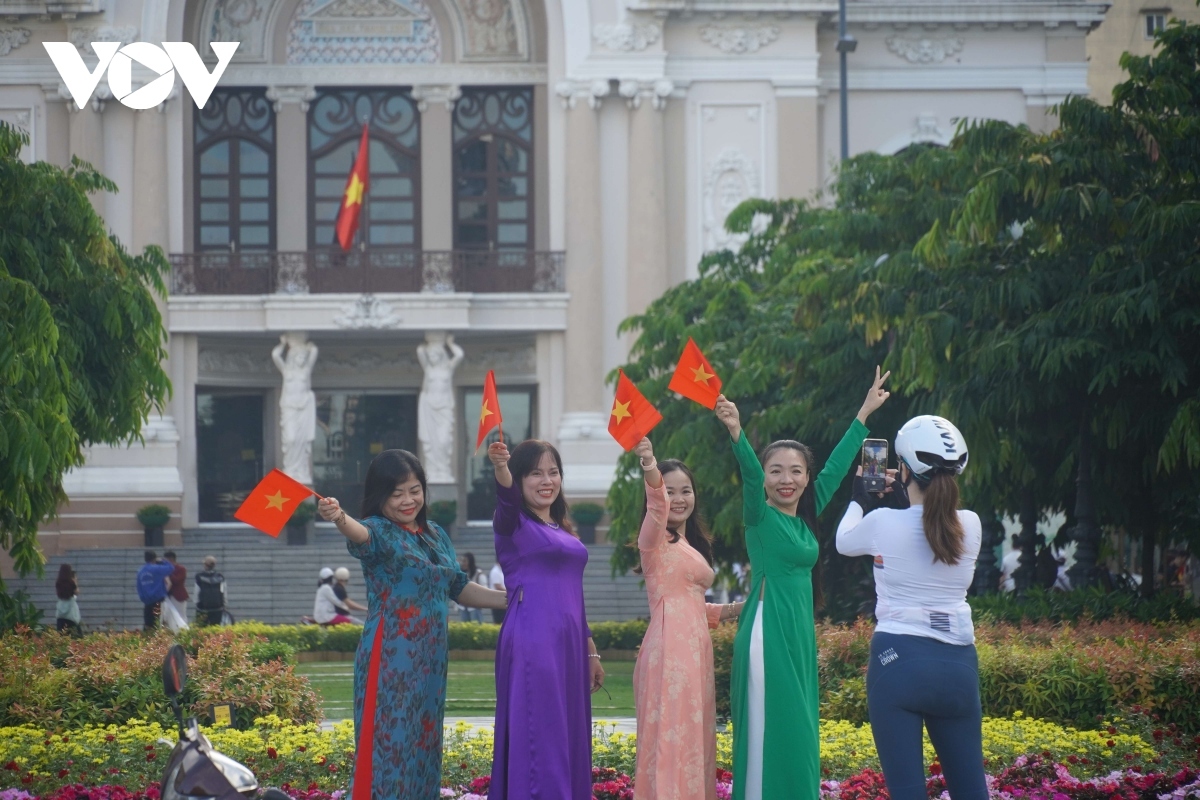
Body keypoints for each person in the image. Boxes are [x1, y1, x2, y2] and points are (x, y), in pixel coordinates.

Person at [714, 367, 891, 800]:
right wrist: (737, 433)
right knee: (773, 723)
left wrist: (864, 413)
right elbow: (752, 478)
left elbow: (835, 466)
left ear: (806, 478)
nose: (785, 479)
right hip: (766, 629)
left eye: (795, 471)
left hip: (797, 632)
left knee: (800, 727)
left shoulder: (807, 516)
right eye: (777, 471)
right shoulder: (758, 517)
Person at [317, 449, 506, 799]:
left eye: (415, 489)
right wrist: (338, 515)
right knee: (391, 747)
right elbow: (360, 536)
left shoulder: (435, 534)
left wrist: (512, 599)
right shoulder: (378, 531)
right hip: (391, 659)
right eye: (397, 493)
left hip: (431, 661)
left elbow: (458, 587)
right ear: (380, 496)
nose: (408, 500)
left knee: (424, 747)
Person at [835, 415, 985, 800]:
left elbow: (843, 542)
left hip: (897, 661)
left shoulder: (883, 521)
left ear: (903, 470)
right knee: (972, 791)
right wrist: (906, 501)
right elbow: (929, 525)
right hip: (959, 667)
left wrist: (859, 497)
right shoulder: (971, 524)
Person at [486, 438, 603, 800]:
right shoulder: (513, 522)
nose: (546, 480)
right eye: (535, 473)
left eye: (553, 472)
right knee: (542, 733)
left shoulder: (561, 528)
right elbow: (506, 497)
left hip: (569, 644)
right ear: (520, 479)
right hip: (533, 639)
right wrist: (501, 467)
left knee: (567, 733)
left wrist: (591, 650)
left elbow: (573, 596)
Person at [631, 436, 742, 800]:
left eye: (686, 491)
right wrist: (649, 463)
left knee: (694, 740)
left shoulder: (689, 543)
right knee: (669, 739)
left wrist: (736, 609)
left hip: (695, 649)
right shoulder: (654, 538)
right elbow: (657, 507)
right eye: (671, 491)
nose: (679, 499)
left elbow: (691, 604)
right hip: (670, 654)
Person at [136, 550, 174, 631]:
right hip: (158, 599)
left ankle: (147, 637)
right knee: (158, 622)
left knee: (148, 623)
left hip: (147, 601)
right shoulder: (157, 568)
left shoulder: (140, 571)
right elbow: (171, 568)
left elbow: (139, 586)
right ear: (154, 558)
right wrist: (163, 561)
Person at [194, 556, 227, 626]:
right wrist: (224, 604)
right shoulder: (220, 577)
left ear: (205, 565)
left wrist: (197, 603)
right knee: (216, 628)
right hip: (217, 608)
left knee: (201, 629)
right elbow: (223, 592)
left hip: (202, 608)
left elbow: (196, 592)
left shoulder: (199, 577)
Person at [162, 551, 190, 632]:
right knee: (167, 616)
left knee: (181, 615)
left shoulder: (181, 569)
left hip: (178, 596)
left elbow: (177, 580)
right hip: (168, 596)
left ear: (171, 560)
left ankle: (183, 631)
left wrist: (168, 572)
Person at [456, 553, 487, 623]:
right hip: (463, 606)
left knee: (476, 627)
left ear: (470, 561)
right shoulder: (460, 573)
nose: (463, 563)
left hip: (475, 606)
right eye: (462, 561)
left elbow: (485, 589)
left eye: (465, 561)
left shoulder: (478, 573)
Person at [55, 564, 81, 636]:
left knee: (62, 638)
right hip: (70, 616)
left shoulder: (58, 583)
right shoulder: (71, 583)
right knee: (76, 638)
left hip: (60, 616)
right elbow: (77, 592)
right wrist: (75, 582)